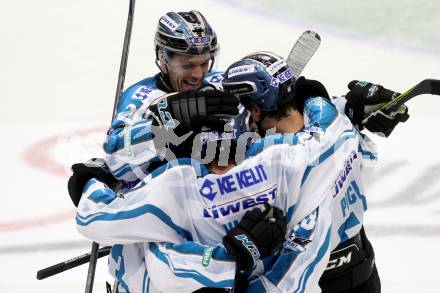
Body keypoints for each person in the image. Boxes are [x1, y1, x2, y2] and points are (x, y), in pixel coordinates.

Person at [74, 52, 387, 292]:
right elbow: (303, 253)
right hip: (352, 271)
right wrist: (348, 107)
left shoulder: (181, 188)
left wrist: (90, 181)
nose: (198, 72)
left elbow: (100, 220)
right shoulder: (334, 130)